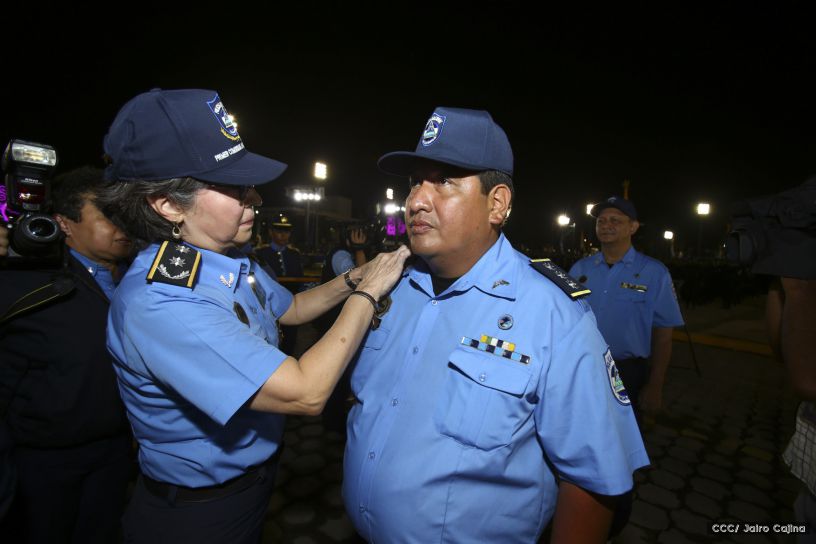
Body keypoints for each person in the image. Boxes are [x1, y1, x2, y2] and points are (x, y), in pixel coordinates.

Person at [98, 88, 409, 544]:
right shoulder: (163, 302)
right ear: (167, 204)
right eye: (233, 188)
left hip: (255, 481)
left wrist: (363, 271)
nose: (255, 198)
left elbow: (294, 308)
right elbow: (306, 392)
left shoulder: (225, 258)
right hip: (198, 514)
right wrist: (368, 291)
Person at [342, 107, 649, 543]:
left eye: (444, 181)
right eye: (414, 182)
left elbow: (590, 482)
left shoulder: (553, 314)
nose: (415, 201)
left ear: (497, 204)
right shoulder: (390, 286)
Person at [0, 166, 135, 543]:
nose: (120, 224)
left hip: (119, 448)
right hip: (44, 461)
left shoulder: (143, 279)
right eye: (107, 214)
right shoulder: (26, 283)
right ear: (64, 223)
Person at [569, 196, 684, 423]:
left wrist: (655, 385)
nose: (606, 225)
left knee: (623, 446)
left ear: (633, 227)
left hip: (627, 373)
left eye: (615, 220)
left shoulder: (654, 273)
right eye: (601, 221)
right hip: (582, 368)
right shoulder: (580, 269)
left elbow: (663, 337)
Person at [256, 215, 304, 354]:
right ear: (271, 232)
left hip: (291, 304)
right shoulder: (260, 253)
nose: (284, 235)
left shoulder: (294, 254)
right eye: (279, 231)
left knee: (290, 344)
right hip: (268, 307)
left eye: (287, 231)